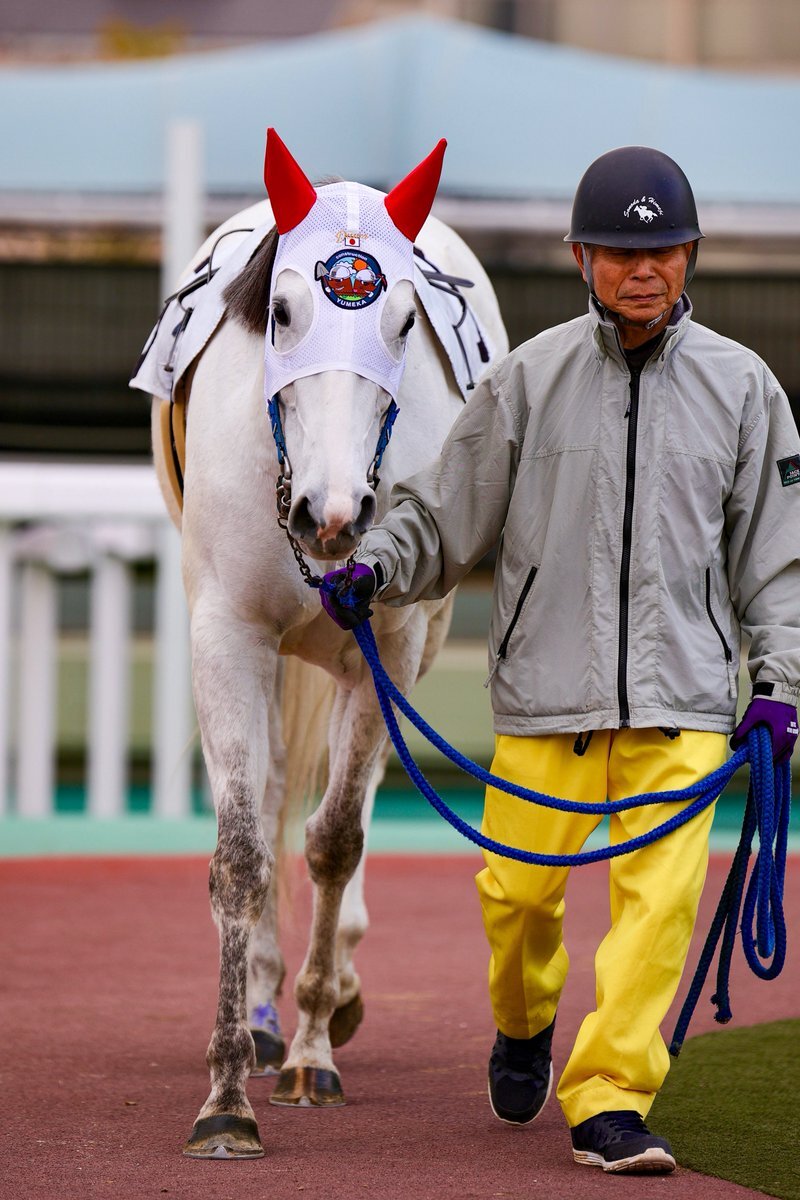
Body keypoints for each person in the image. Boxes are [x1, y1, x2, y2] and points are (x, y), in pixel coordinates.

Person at [321, 146, 800, 1174]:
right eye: (622, 250)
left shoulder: (743, 389)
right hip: (546, 702)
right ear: (581, 256)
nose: (643, 269)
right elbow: (441, 518)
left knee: (657, 909)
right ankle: (523, 1019)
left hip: (685, 714)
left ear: (690, 256)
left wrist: (777, 686)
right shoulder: (525, 380)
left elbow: (778, 558)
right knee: (516, 898)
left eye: (663, 249)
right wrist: (373, 569)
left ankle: (608, 1098)